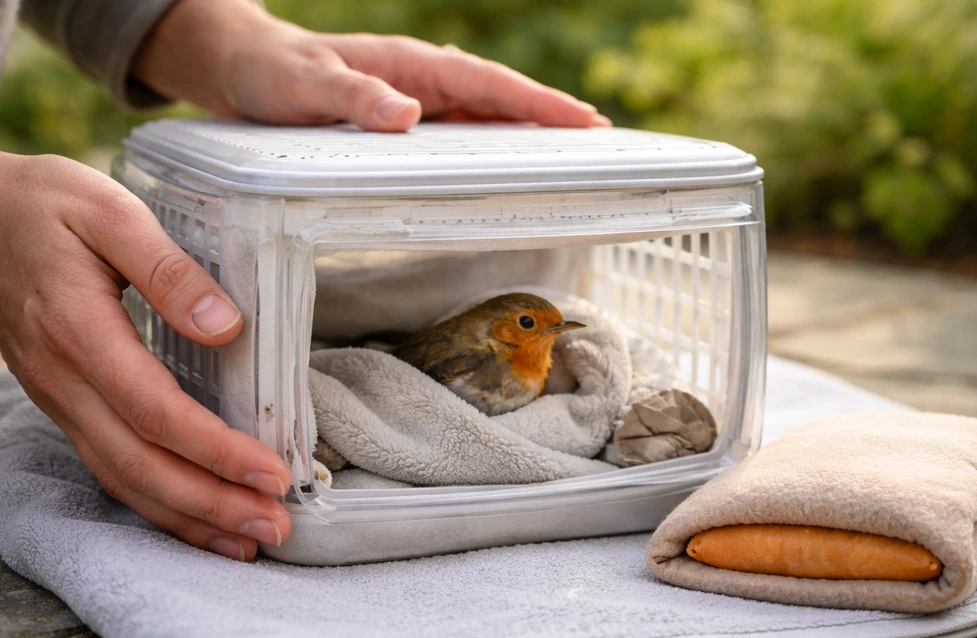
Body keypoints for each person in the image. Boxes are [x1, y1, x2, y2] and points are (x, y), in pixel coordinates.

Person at [0, 0, 610, 560]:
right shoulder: (482, 360)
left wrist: (226, 42)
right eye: (532, 324)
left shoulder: (533, 364)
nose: (548, 332)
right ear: (504, 330)